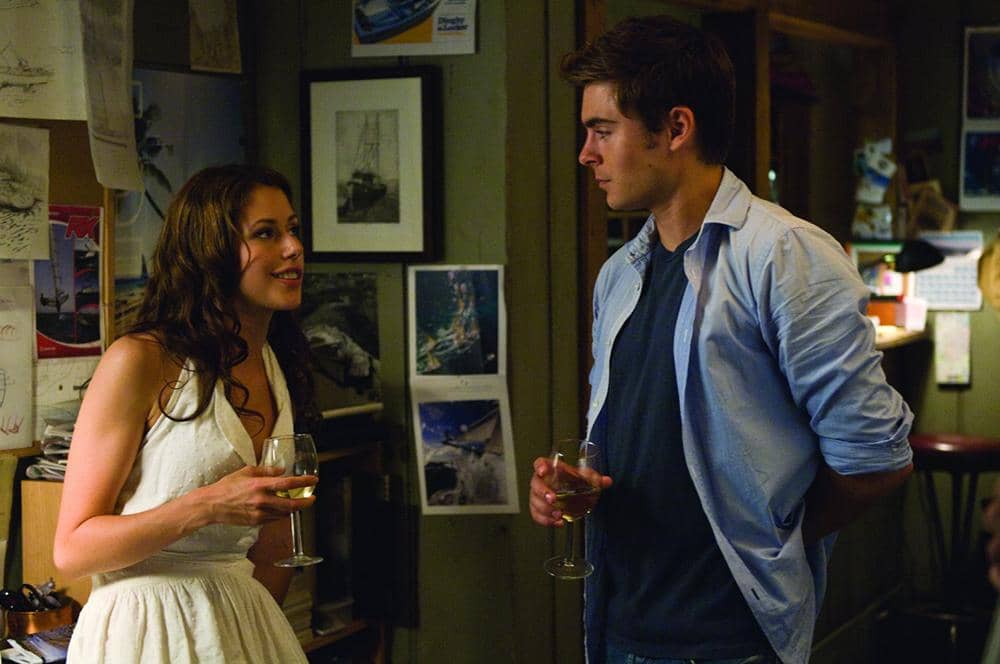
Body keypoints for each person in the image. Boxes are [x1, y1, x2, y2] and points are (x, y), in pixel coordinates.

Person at [528, 16, 914, 664]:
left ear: (676, 128)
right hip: (615, 625)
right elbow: (654, 443)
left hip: (725, 641)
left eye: (603, 130)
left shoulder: (785, 256)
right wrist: (579, 485)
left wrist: (768, 536)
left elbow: (876, 459)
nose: (586, 154)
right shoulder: (620, 274)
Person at [54, 164, 318, 662]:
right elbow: (72, 549)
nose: (293, 248)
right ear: (210, 251)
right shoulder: (141, 360)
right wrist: (207, 506)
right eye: (266, 233)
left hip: (242, 627)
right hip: (145, 634)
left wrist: (251, 637)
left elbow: (274, 549)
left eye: (293, 229)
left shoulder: (276, 365)